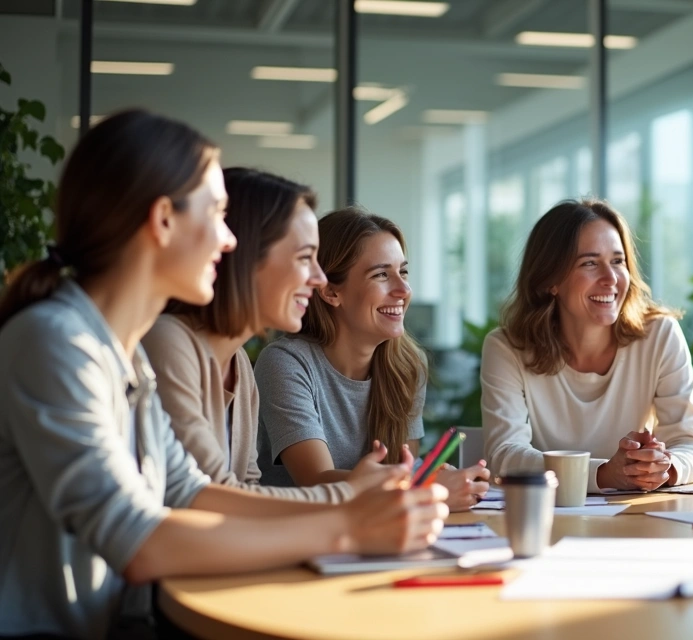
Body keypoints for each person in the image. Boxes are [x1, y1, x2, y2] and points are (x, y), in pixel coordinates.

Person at [0, 110, 447, 639]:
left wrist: (353, 502)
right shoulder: (57, 341)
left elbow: (191, 490)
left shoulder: (125, 355)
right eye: (216, 214)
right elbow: (138, 541)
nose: (229, 240)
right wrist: (348, 523)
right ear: (164, 220)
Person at [143, 168, 398, 503]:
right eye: (305, 257)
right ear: (247, 256)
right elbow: (213, 498)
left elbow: (247, 490)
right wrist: (351, 494)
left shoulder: (239, 367)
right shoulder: (168, 343)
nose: (320, 278)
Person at [255, 207, 489, 511]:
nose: (403, 290)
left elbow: (402, 466)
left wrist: (435, 478)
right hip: (298, 535)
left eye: (403, 272)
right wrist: (423, 485)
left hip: (377, 530)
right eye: (381, 274)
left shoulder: (408, 364)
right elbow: (315, 480)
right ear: (330, 292)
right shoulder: (285, 363)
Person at [482, 198, 693, 493]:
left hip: (637, 519)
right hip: (549, 518)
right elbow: (504, 455)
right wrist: (604, 474)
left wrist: (663, 468)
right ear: (550, 280)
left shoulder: (659, 334)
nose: (611, 279)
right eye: (590, 263)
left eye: (618, 261)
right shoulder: (506, 348)